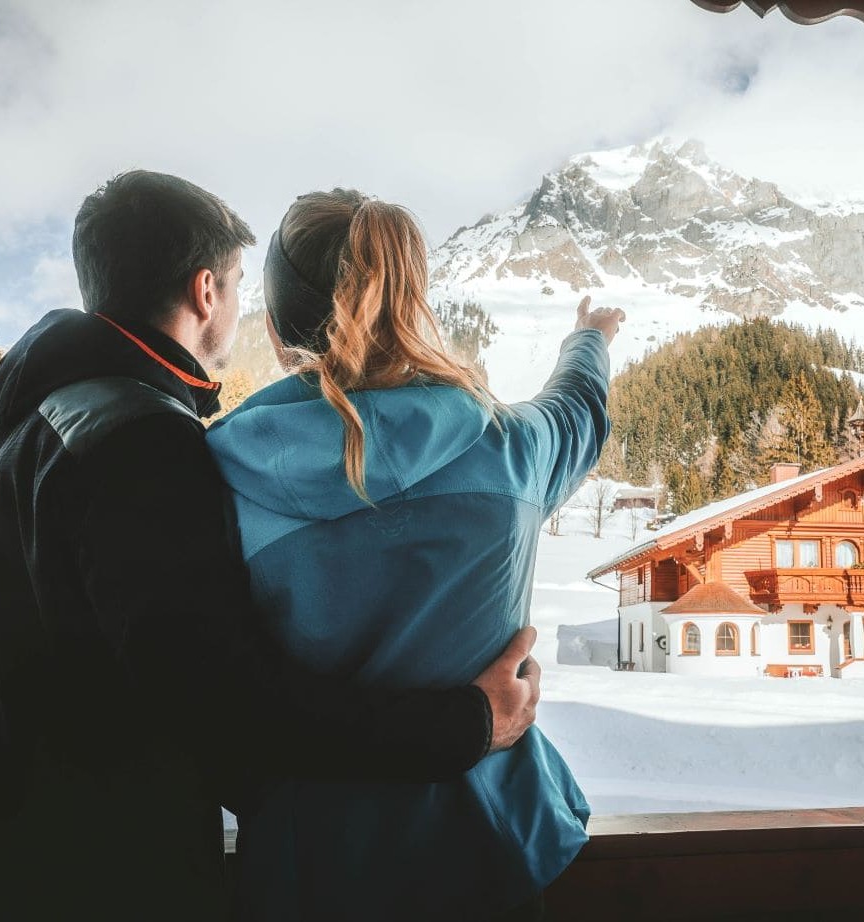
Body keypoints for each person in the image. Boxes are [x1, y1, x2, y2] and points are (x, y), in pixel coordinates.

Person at [0, 171, 542, 922]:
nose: (238, 308)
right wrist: (468, 725)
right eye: (236, 285)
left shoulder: (9, 433)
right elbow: (232, 703)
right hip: (105, 877)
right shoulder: (140, 444)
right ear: (207, 292)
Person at [205, 189, 622, 920]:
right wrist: (587, 339)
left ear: (275, 329)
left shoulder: (220, 475)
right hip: (491, 848)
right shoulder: (512, 451)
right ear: (407, 300)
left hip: (311, 868)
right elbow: (576, 412)